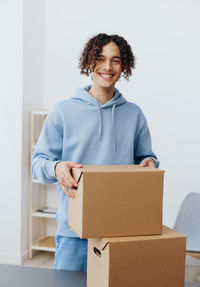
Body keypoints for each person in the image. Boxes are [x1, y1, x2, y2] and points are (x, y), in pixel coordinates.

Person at [31, 33, 159, 272]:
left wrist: (149, 162)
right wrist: (57, 167)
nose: (107, 67)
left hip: (120, 230)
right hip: (73, 231)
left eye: (116, 60)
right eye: (100, 58)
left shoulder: (134, 114)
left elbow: (146, 157)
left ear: (124, 66)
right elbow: (38, 163)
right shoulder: (63, 111)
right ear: (89, 62)